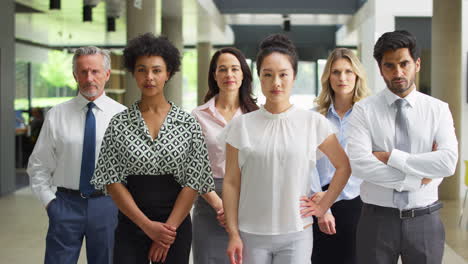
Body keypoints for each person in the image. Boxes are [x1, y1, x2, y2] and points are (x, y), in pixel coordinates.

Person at [221, 34, 351, 264]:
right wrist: (233, 233)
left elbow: (343, 166)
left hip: (297, 233)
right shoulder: (241, 126)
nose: (276, 83)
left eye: (283, 75)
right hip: (251, 233)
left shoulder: (313, 123)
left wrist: (324, 205)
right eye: (268, 75)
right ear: (259, 77)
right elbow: (231, 182)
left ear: (294, 77)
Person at [90, 33, 214, 264]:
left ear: (168, 73)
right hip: (131, 223)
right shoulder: (119, 123)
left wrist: (165, 234)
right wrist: (147, 226)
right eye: (142, 70)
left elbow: (194, 181)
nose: (149, 77)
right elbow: (112, 181)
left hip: (174, 226)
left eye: (157, 70)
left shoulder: (187, 123)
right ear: (133, 73)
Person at [347, 30, 458, 264]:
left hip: (425, 220)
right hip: (376, 220)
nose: (398, 72)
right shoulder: (364, 110)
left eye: (404, 64)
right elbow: (359, 164)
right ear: (380, 69)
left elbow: (447, 162)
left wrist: (390, 157)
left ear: (417, 64)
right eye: (389, 66)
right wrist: (417, 178)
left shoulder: (438, 110)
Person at [27, 46, 126, 264]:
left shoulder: (123, 116)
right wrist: (50, 203)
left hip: (107, 205)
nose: (89, 78)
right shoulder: (56, 115)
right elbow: (38, 165)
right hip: (65, 204)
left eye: (95, 71)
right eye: (83, 72)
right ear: (75, 75)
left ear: (107, 74)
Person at [191, 47, 258, 264]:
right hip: (209, 200)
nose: (229, 75)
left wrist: (235, 207)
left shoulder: (256, 116)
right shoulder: (198, 115)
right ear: (214, 75)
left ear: (243, 74)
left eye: (234, 69)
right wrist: (221, 206)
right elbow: (193, 167)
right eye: (222, 69)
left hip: (248, 201)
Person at [311, 48, 370, 264]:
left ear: (357, 76)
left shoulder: (369, 116)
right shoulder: (314, 117)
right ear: (328, 77)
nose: (342, 78)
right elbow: (306, 164)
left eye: (348, 72)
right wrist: (322, 204)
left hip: (358, 203)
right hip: (320, 202)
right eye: (336, 72)